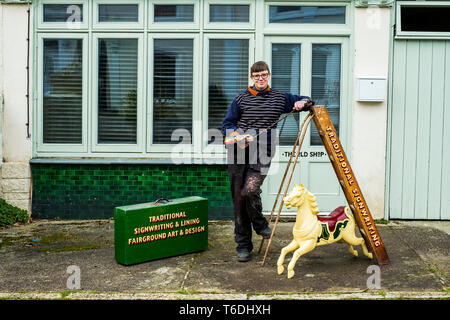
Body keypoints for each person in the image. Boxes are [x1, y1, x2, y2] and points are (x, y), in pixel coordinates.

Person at [222, 61, 312, 262]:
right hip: (238, 152)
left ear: (269, 75)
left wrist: (303, 103)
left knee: (250, 191)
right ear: (251, 78)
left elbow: (306, 100)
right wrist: (238, 136)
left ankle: (261, 225)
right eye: (256, 76)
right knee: (239, 199)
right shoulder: (241, 98)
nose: (260, 78)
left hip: (263, 152)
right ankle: (243, 246)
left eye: (263, 75)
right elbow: (227, 124)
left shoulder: (280, 98)